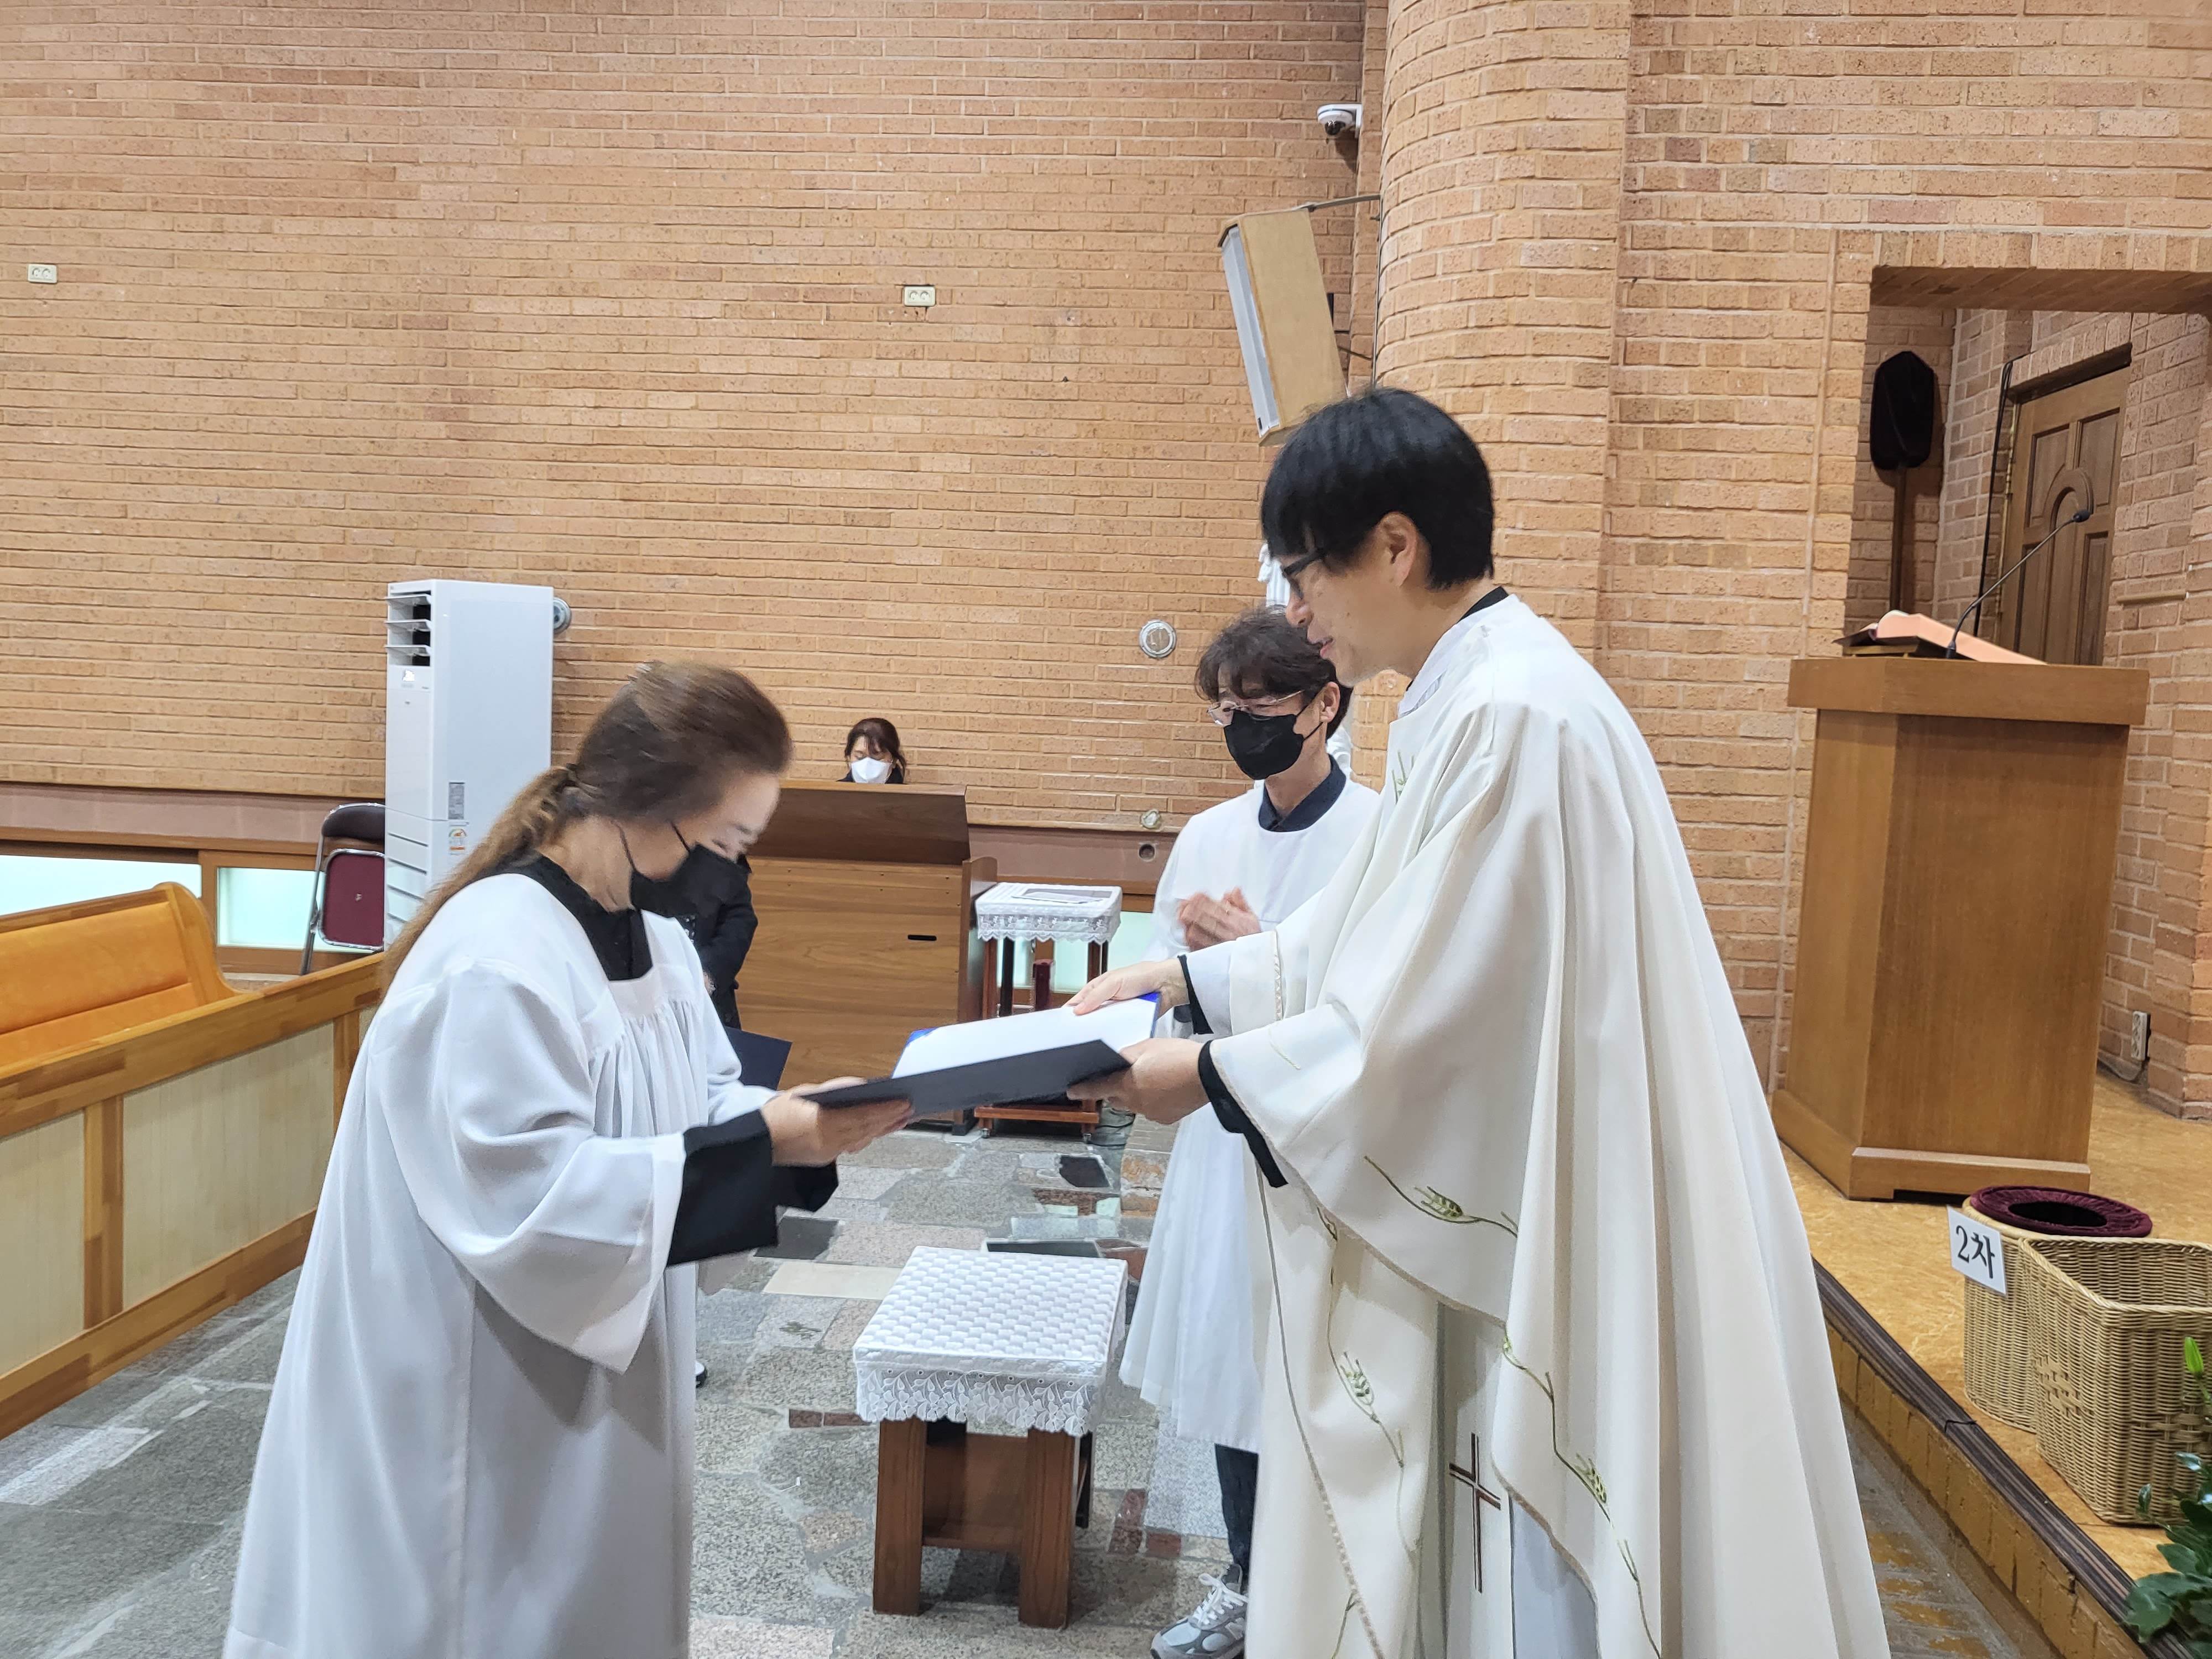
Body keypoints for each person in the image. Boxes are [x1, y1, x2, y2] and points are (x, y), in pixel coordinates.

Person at [1069, 389, 1887, 1659]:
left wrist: (1211, 1074)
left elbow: (1426, 1018)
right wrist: (1182, 983)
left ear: (1393, 546)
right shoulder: (1474, 690)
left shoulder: (1509, 713)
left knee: (1534, 1578)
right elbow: (1368, 928)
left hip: (1570, 1208)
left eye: (1303, 572)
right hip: (1541, 1177)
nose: (1297, 610)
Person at [225, 663, 910, 1659]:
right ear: (645, 805)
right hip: (478, 1374)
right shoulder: (497, 957)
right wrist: (764, 1142)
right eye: (725, 843)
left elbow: (698, 1098)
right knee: (479, 1609)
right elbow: (530, 1199)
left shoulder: (657, 942)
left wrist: (794, 1125)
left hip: (595, 1356)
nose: (731, 874)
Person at [1121, 607, 1379, 1659]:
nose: (1240, 727)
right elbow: (1160, 993)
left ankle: (1337, 1593)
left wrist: (1257, 959)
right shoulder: (1208, 836)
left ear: (1324, 705)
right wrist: (1191, 984)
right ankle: (1244, 1577)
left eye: (1261, 706)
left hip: (1329, 1150)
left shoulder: (1379, 836)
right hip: (1222, 1136)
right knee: (1237, 1359)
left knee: (1320, 1366)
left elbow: (1375, 1008)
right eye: (1225, 711)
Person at [841, 716, 906, 783]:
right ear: (849, 757)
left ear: (894, 761)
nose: (867, 765)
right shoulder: (836, 789)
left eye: (877, 758)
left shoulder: (907, 790)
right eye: (860, 757)